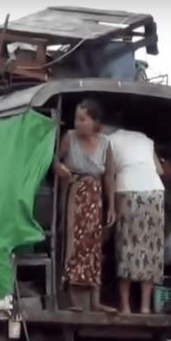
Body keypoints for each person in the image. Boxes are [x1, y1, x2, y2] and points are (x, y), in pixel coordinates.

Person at [53, 99, 118, 313]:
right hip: (74, 194)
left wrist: (111, 207)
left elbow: (108, 176)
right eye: (76, 119)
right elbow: (53, 160)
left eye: (83, 119)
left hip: (95, 198)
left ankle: (95, 301)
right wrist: (60, 168)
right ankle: (72, 300)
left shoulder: (105, 143)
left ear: (95, 123)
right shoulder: (69, 138)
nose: (78, 123)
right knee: (73, 244)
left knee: (93, 246)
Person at [106, 126, 166, 314]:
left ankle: (125, 306)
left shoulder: (109, 140)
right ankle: (146, 307)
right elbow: (160, 170)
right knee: (151, 249)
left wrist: (109, 205)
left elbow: (109, 172)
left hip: (128, 190)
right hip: (155, 192)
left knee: (127, 246)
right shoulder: (145, 138)